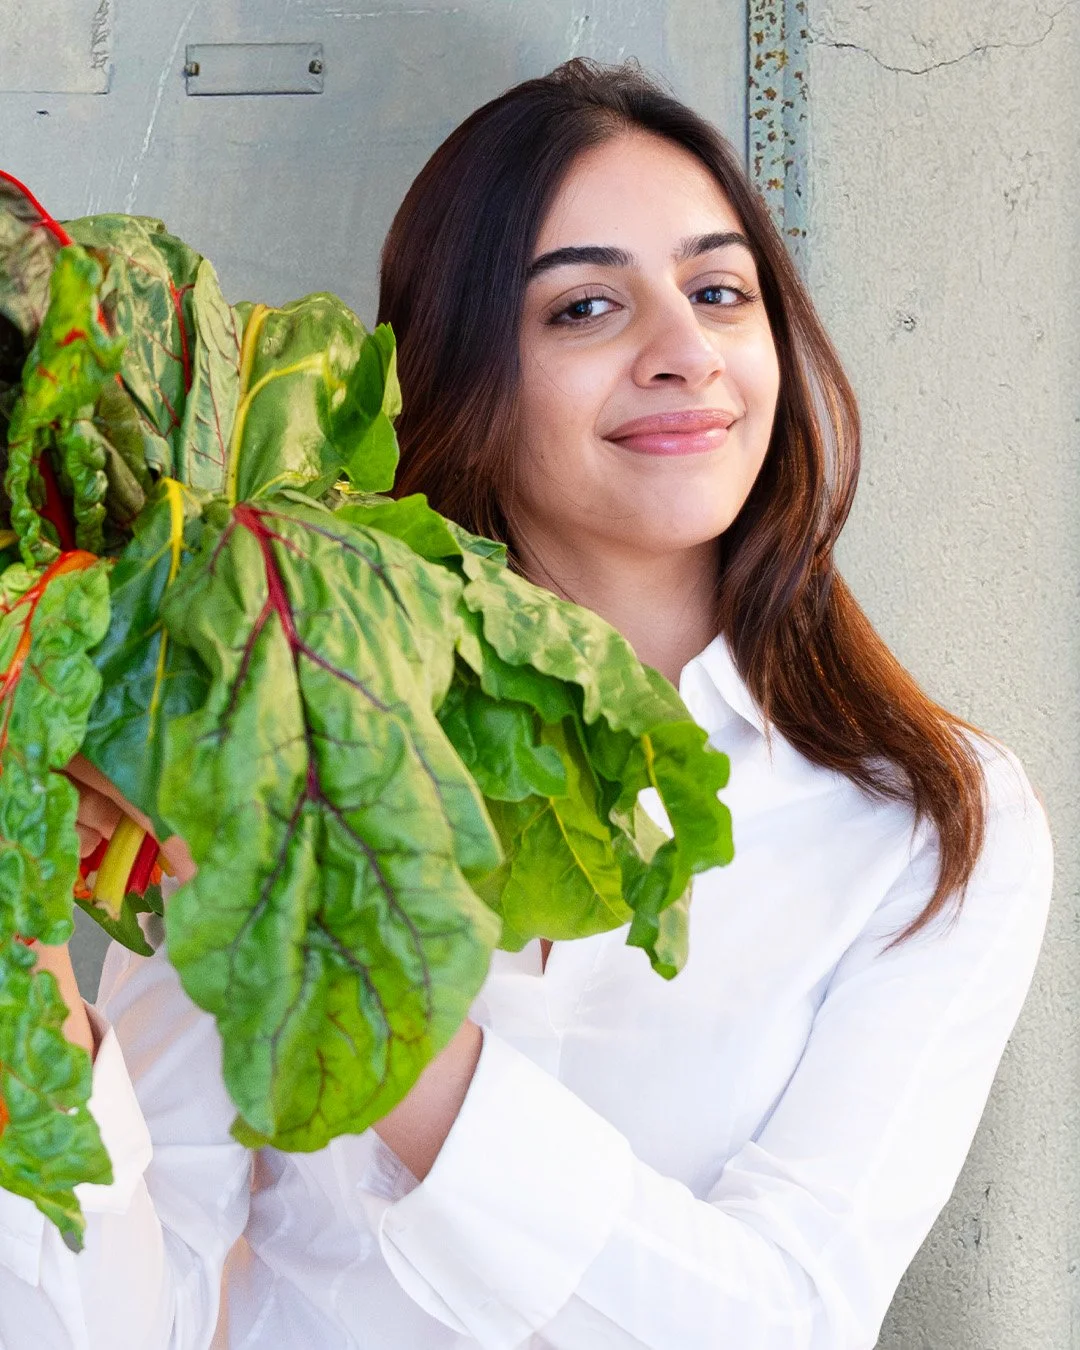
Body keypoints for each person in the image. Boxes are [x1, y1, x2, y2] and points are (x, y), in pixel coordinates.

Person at [0, 57, 1053, 1350]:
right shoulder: (271, 718)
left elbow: (790, 1318)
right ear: (459, 377)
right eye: (587, 307)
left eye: (720, 291)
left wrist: (364, 986)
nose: (683, 351)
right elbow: (114, 1325)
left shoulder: (927, 818)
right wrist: (30, 906)